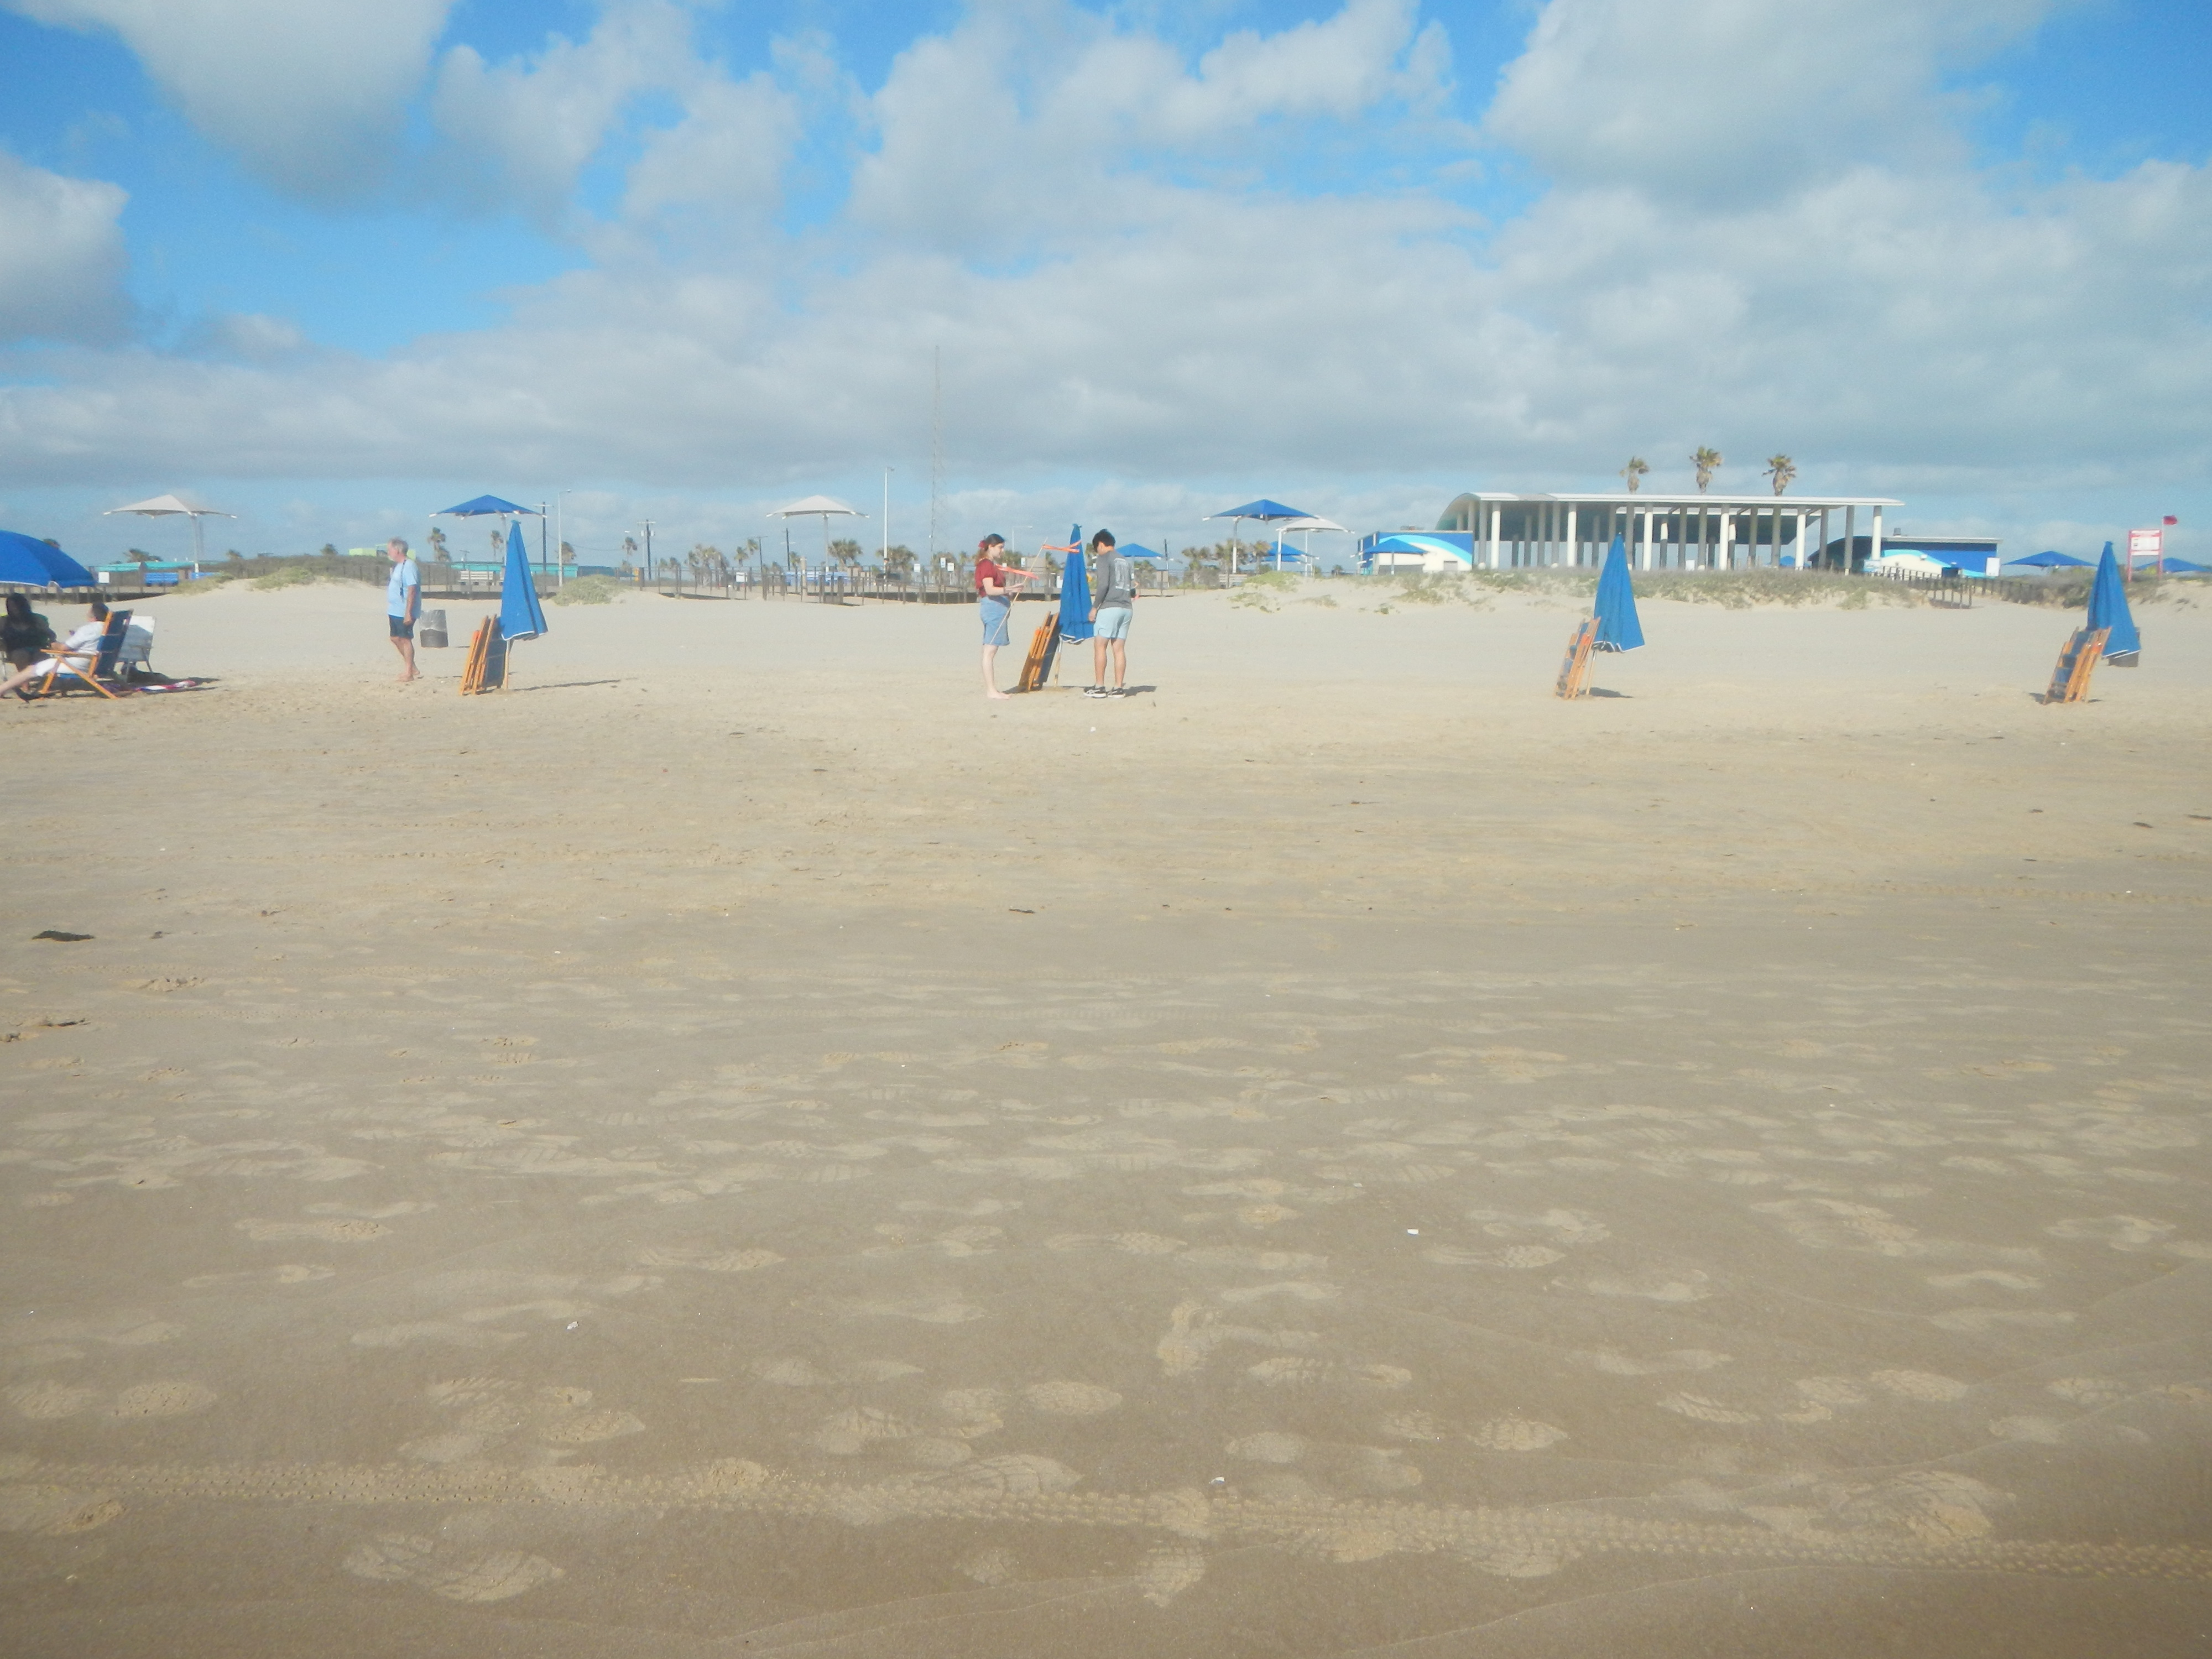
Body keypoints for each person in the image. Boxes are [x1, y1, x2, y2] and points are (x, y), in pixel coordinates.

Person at [0, 601, 108, 699]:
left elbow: (63, 648)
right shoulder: (108, 628)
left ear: (93, 617)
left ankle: (2, 689)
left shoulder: (88, 629)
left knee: (32, 669)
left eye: (89, 613)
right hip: (97, 663)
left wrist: (53, 644)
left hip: (78, 664)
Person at [975, 533, 1039, 700]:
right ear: (991, 547)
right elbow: (989, 590)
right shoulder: (987, 565)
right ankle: (991, 690)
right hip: (993, 608)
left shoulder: (989, 565)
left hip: (995, 608)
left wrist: (1010, 591)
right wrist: (1008, 590)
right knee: (990, 650)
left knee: (989, 650)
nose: (1002, 551)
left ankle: (992, 690)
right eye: (1000, 547)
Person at [1085, 528, 1135, 698]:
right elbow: (1132, 587)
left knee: (1100, 645)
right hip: (1126, 607)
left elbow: (1103, 585)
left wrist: (1094, 607)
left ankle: (1100, 686)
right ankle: (1119, 687)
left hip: (1110, 607)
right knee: (1119, 649)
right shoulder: (1124, 560)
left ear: (1100, 545)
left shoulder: (1104, 558)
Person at [386, 537, 420, 682]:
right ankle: (411, 666)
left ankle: (409, 673)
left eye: (390, 550)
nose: (389, 553)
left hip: (404, 610)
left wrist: (408, 613)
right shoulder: (398, 566)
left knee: (405, 639)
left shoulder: (409, 566)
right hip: (394, 609)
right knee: (395, 638)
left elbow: (412, 589)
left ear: (397, 550)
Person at [2, 593, 55, 672]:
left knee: (41, 656)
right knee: (21, 655)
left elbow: (51, 634)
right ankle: (25, 683)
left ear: (23, 606)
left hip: (37, 648)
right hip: (15, 650)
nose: (13, 608)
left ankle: (45, 681)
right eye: (10, 606)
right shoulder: (4, 621)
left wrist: (51, 641)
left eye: (16, 605)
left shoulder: (37, 619)